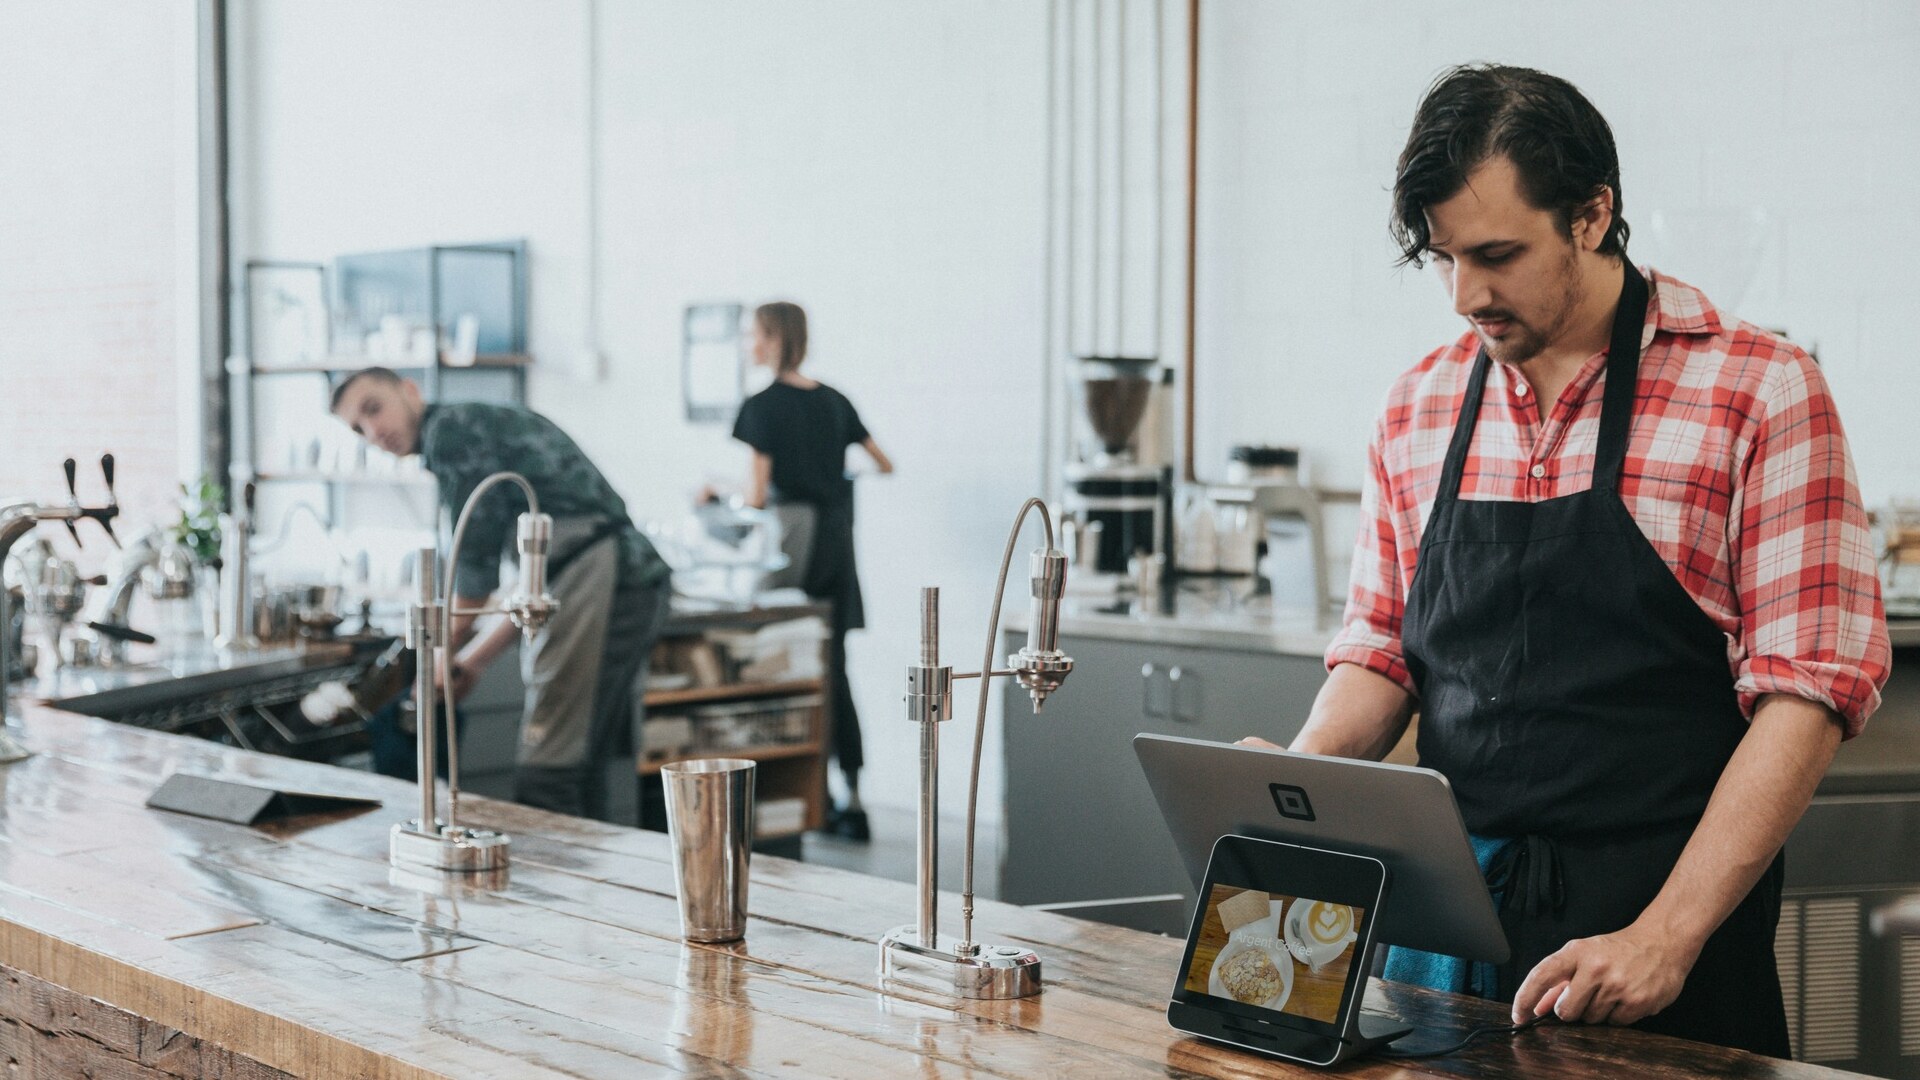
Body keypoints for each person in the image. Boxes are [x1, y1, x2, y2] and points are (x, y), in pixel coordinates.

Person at [1244, 65, 1889, 1055]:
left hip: (1661, 946)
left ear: (1593, 215)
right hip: (1444, 949)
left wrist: (1664, 938)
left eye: (1497, 254)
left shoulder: (1760, 392)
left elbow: (1805, 697)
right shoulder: (1417, 407)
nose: (1467, 295)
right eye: (1444, 258)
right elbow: (1381, 652)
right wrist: (1295, 782)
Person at [332, 368, 673, 821]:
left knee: (549, 771)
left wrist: (436, 658)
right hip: (613, 578)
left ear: (409, 390)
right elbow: (532, 588)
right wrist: (470, 660)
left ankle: (559, 886)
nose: (373, 432)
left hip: (608, 576)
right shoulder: (471, 425)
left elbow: (474, 579)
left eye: (374, 408)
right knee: (576, 763)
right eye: (358, 429)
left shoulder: (452, 433)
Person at [723, 301, 892, 840]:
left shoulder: (762, 406)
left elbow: (754, 497)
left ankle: (778, 795)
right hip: (837, 545)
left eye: (753, 334)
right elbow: (882, 462)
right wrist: (837, 475)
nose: (748, 343)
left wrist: (716, 496)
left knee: (770, 661)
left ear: (773, 339)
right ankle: (853, 797)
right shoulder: (835, 400)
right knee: (832, 668)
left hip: (793, 542)